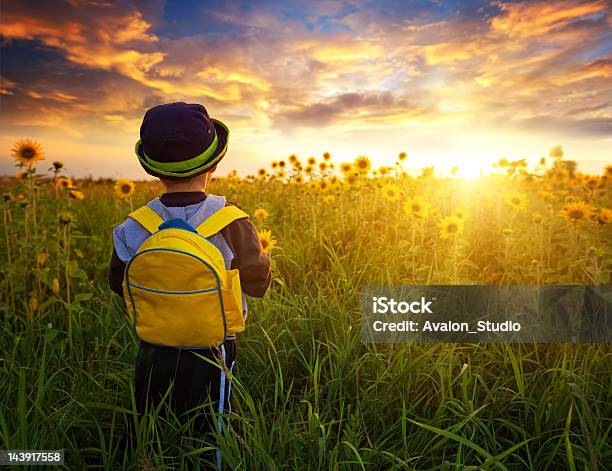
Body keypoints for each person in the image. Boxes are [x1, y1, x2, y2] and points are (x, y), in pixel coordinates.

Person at [108, 102, 271, 466]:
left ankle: (140, 458)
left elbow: (117, 283)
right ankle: (212, 460)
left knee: (149, 411)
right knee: (214, 419)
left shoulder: (135, 225)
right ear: (214, 163)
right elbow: (257, 283)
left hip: (152, 340)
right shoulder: (232, 220)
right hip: (214, 344)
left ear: (150, 168)